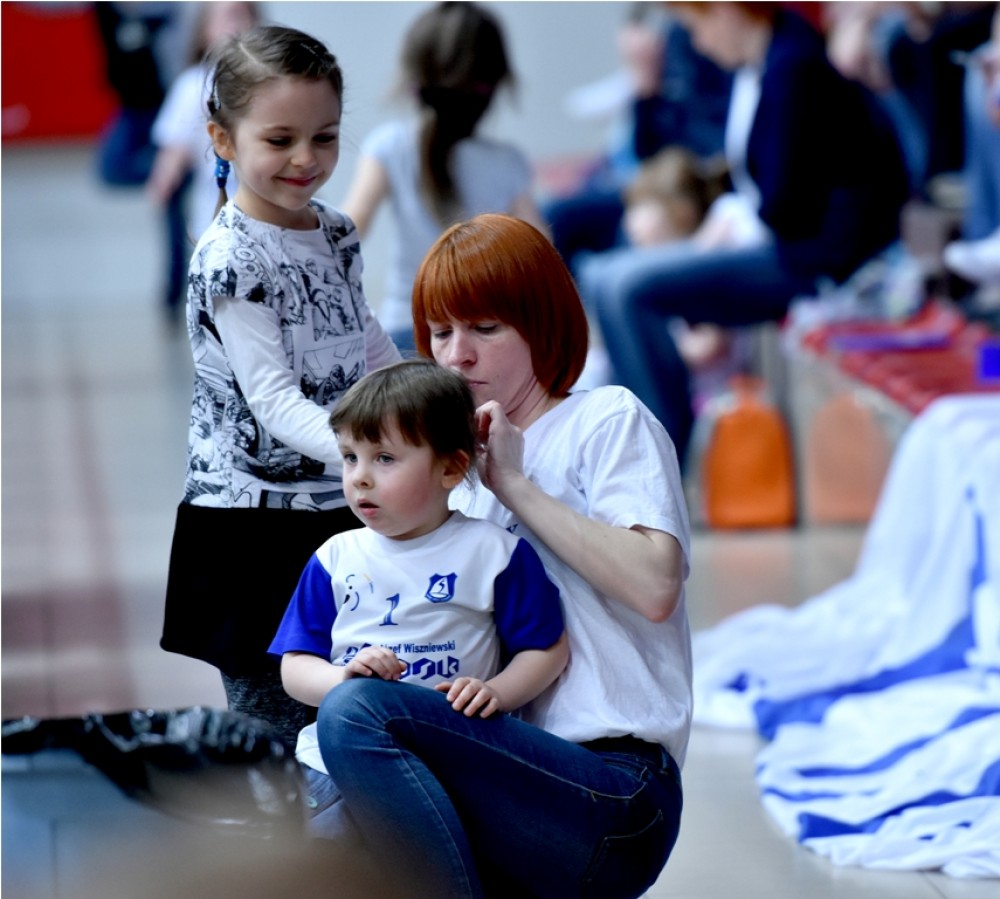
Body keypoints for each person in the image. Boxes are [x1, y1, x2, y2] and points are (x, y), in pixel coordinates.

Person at [315, 214, 691, 898]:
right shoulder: (455, 478)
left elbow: (655, 585)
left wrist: (514, 486)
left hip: (614, 788)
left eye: (484, 329)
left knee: (356, 713)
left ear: (541, 326)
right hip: (499, 770)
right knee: (312, 821)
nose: (457, 355)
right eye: (440, 333)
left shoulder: (606, 418)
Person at [160, 25, 401, 747]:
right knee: (275, 738)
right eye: (279, 140)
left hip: (338, 506)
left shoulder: (335, 232)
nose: (306, 159)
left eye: (324, 138)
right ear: (222, 139)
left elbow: (367, 343)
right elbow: (273, 405)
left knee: (352, 723)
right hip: (253, 531)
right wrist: (382, 451)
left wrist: (427, 404)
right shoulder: (231, 256)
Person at [590, 2, 909, 468]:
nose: (697, 41)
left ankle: (657, 464)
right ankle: (635, 454)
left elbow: (786, 207)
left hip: (813, 261)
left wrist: (729, 224)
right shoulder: (759, 66)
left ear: (726, 12)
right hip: (778, 243)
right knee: (602, 276)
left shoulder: (793, 67)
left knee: (625, 286)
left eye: (697, 25)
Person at [269, 358, 568, 842]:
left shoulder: (494, 552)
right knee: (307, 853)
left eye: (384, 458)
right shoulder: (334, 557)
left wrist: (498, 692)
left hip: (452, 763)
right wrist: (344, 681)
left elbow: (548, 649)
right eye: (350, 457)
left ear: (451, 467)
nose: (360, 477)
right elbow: (295, 666)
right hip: (333, 766)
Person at [339, 1, 548, 353]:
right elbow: (541, 256)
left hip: (405, 334)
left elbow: (346, 233)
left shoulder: (389, 145)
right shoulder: (508, 163)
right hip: (481, 343)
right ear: (493, 84)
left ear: (415, 78)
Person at [146, 1, 261, 327]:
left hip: (268, 219)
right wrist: (162, 182)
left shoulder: (267, 79)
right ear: (204, 31)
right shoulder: (194, 85)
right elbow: (174, 149)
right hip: (216, 219)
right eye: (227, 17)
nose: (237, 25)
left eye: (245, 15)